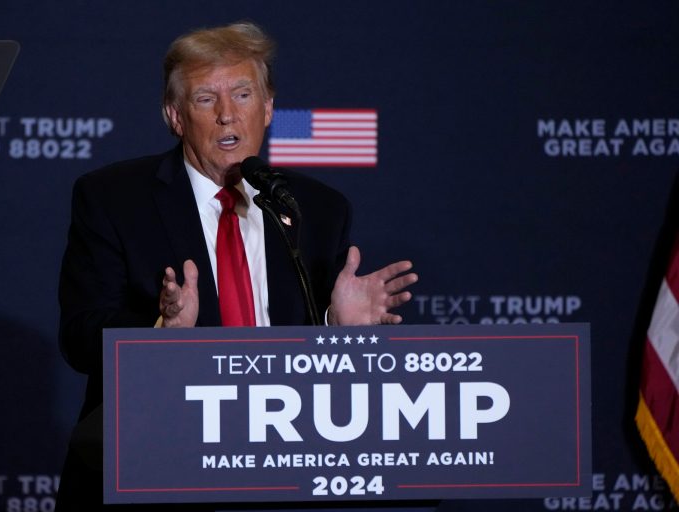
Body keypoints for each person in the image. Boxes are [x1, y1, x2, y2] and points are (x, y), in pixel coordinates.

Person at [54, 20, 418, 511]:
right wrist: (160, 333)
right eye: (206, 99)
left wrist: (338, 329)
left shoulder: (316, 209)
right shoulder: (113, 199)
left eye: (243, 95)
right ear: (175, 116)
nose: (227, 115)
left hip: (282, 472)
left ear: (267, 108)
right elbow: (79, 337)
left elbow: (330, 383)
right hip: (159, 467)